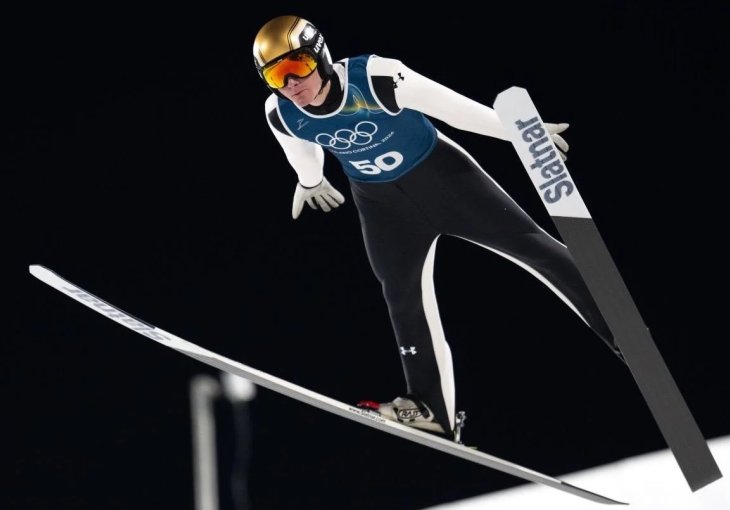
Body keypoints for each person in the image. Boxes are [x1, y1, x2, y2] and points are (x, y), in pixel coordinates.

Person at [253, 15, 622, 438]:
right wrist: (310, 181)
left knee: (531, 246)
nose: (290, 84)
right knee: (401, 294)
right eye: (275, 76)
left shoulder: (377, 77)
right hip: (382, 207)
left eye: (296, 67)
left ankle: (620, 329)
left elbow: (456, 110)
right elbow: (300, 148)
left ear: (320, 56)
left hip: (445, 181)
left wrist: (520, 133)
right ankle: (431, 408)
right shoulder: (280, 112)